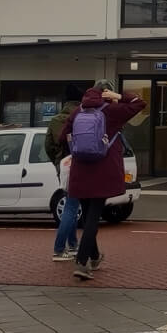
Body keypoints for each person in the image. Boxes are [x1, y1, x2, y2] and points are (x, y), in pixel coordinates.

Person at [58, 79, 146, 280]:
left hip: (80, 171)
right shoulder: (111, 112)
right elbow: (140, 103)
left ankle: (95, 256)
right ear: (107, 93)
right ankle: (81, 262)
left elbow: (63, 137)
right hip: (102, 172)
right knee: (93, 219)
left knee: (88, 215)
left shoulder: (78, 111)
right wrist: (120, 97)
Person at [46, 84, 83, 261]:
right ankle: (59, 249)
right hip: (82, 165)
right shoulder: (83, 117)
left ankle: (73, 246)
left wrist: (57, 162)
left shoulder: (55, 120)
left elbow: (48, 146)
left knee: (71, 205)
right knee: (71, 207)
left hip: (64, 166)